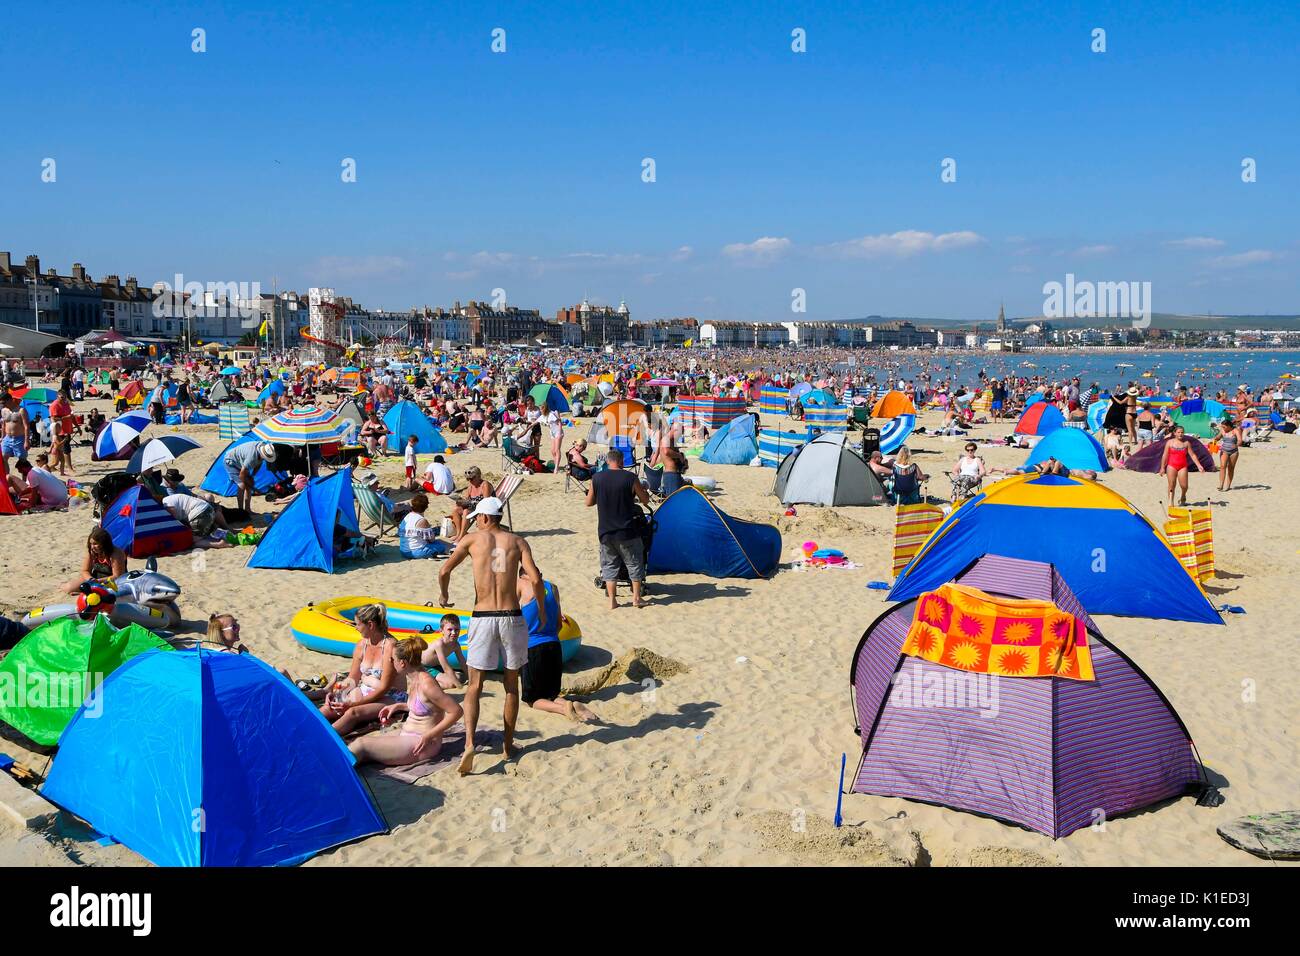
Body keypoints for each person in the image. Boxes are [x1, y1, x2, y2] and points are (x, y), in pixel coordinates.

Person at [437, 496, 545, 774]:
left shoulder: (473, 540)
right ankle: (508, 746)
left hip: (483, 616)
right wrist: (542, 613)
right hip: (511, 616)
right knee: (511, 685)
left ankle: (470, 744)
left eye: (477, 518)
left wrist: (444, 594)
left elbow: (444, 569)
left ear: (485, 518)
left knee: (475, 685)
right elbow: (534, 579)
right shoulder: (518, 542)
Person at [349, 636, 464, 767]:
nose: (390, 661)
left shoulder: (427, 684)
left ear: (402, 663)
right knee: (358, 746)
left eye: (393, 659)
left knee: (361, 744)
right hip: (409, 734)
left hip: (422, 743)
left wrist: (429, 735)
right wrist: (399, 706)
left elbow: (456, 711)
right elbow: (427, 706)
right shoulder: (415, 678)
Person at [517, 568, 596, 722]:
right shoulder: (553, 588)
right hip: (554, 646)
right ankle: (570, 704)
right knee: (551, 695)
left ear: (522, 576)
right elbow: (559, 625)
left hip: (533, 647)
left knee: (532, 700)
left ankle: (562, 708)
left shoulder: (521, 584)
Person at [321, 603, 405, 733]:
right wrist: (338, 693)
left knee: (352, 712)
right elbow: (352, 679)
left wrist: (352, 704)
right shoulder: (361, 645)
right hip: (365, 690)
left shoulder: (390, 646)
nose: (356, 628)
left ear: (370, 625)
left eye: (358, 624)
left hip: (390, 696)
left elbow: (383, 688)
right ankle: (301, 729)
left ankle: (323, 739)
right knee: (330, 708)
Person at [586, 448, 650, 610]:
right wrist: (642, 493)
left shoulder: (597, 478)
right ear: (622, 461)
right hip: (627, 530)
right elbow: (645, 501)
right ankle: (636, 598)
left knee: (609, 566)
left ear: (608, 461)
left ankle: (612, 601)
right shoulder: (630, 477)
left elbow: (588, 502)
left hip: (606, 531)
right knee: (634, 563)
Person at [63, 527, 128, 594]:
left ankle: (88, 592)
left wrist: (98, 582)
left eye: (95, 544)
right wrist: (91, 579)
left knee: (107, 592)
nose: (92, 547)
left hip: (113, 581)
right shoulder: (92, 552)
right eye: (91, 544)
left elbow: (117, 576)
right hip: (95, 578)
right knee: (69, 588)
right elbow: (85, 571)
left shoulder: (116, 554)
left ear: (104, 544)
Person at [223, 440, 276, 513]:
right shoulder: (252, 457)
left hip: (241, 462)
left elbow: (258, 464)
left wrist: (252, 476)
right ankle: (240, 511)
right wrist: (253, 488)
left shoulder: (263, 447)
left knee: (249, 484)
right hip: (230, 461)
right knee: (242, 485)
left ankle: (248, 509)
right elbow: (242, 475)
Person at [419, 612, 466, 689]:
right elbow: (446, 667)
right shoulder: (439, 644)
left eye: (457, 629)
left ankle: (432, 680)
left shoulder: (456, 645)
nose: (454, 633)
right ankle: (425, 685)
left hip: (436, 666)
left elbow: (462, 662)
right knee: (451, 684)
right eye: (450, 630)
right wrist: (459, 686)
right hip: (424, 667)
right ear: (441, 630)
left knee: (460, 677)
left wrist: (470, 678)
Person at [399, 493, 451, 559]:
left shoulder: (407, 517)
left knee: (437, 542)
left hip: (403, 551)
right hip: (415, 552)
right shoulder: (422, 520)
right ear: (425, 507)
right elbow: (431, 540)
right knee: (441, 546)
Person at [449, 466, 495, 541]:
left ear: (478, 476)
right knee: (456, 510)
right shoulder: (471, 486)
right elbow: (467, 499)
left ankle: (461, 536)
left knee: (466, 511)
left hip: (485, 511)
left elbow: (487, 502)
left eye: (472, 478)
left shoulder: (485, 485)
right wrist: (460, 501)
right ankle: (458, 533)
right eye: (468, 479)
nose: (470, 481)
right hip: (474, 508)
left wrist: (470, 503)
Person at [1159, 425, 1201, 507]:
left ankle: (1183, 496)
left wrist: (1199, 465)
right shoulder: (1170, 442)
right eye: (1178, 432)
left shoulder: (1186, 443)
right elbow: (1165, 455)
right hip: (1171, 466)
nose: (1180, 434)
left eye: (1182, 432)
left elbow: (1192, 455)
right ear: (1174, 433)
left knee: (1184, 486)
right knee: (1172, 485)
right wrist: (1162, 467)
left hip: (1182, 466)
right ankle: (1170, 502)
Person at [1, 392, 28, 471]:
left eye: (3, 402)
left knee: (22, 461)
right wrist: (2, 437)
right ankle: (7, 479)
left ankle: (24, 481)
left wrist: (27, 441)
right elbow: (3, 425)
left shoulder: (21, 410)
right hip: (7, 438)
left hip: (19, 438)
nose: (2, 405)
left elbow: (26, 426)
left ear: (10, 400)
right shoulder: (4, 410)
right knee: (3, 458)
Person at [1216, 417, 1242, 492]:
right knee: (1222, 466)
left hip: (1234, 452)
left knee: (1231, 468)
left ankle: (1228, 486)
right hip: (1224, 450)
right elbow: (1218, 437)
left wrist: (1236, 445)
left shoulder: (1235, 431)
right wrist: (1215, 439)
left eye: (1224, 427)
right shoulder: (1222, 431)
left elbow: (1240, 440)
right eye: (1222, 427)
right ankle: (1221, 485)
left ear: (1229, 426)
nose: (1223, 428)